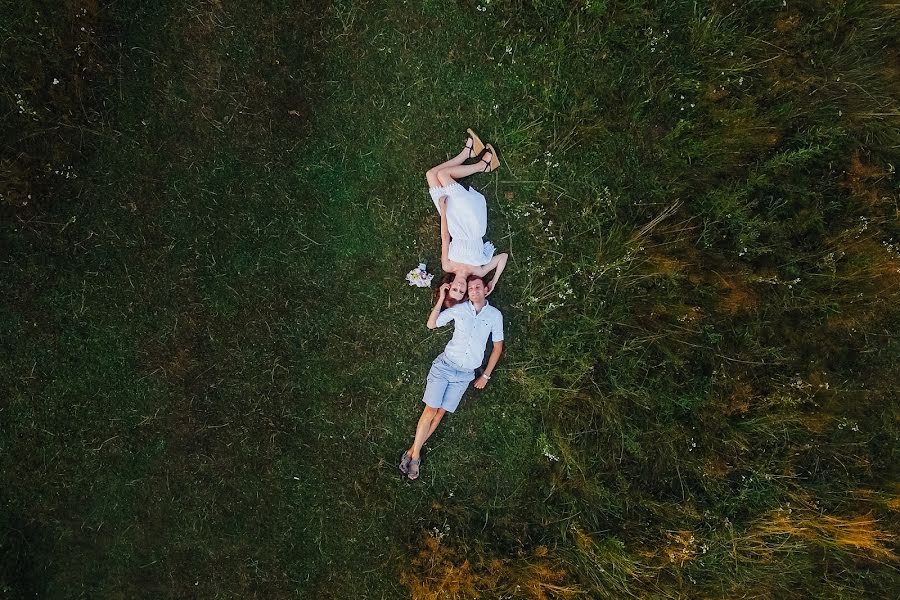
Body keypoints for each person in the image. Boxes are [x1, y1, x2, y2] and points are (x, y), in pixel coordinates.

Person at [399, 275, 504, 481]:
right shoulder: (460, 310)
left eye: (477, 287)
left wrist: (486, 375)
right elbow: (431, 324)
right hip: (445, 366)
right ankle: (416, 456)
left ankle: (411, 451)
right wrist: (441, 297)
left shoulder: (494, 315)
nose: (473, 290)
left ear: (486, 289)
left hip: (465, 375)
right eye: (470, 288)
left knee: (440, 414)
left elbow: (497, 348)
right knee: (430, 410)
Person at [425, 129, 509, 299]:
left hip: (452, 219)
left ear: (449, 286)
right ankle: (481, 165)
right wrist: (493, 280)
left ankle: (469, 152)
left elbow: (445, 237)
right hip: (473, 223)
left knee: (431, 175)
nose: (460, 288)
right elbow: (503, 257)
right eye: (462, 292)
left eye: (455, 289)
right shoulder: (478, 270)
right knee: (443, 175)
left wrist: (443, 210)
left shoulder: (448, 266)